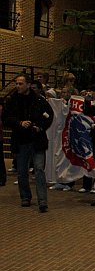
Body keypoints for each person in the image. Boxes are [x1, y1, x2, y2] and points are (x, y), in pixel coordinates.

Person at [2, 74, 54, 212]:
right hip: (21, 140)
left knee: (38, 169)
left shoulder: (38, 100)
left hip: (36, 140)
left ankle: (42, 201)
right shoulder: (12, 100)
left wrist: (40, 126)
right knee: (22, 171)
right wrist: (19, 123)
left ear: (28, 84)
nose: (18, 86)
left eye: (20, 84)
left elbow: (49, 115)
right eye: (17, 84)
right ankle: (25, 197)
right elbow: (6, 118)